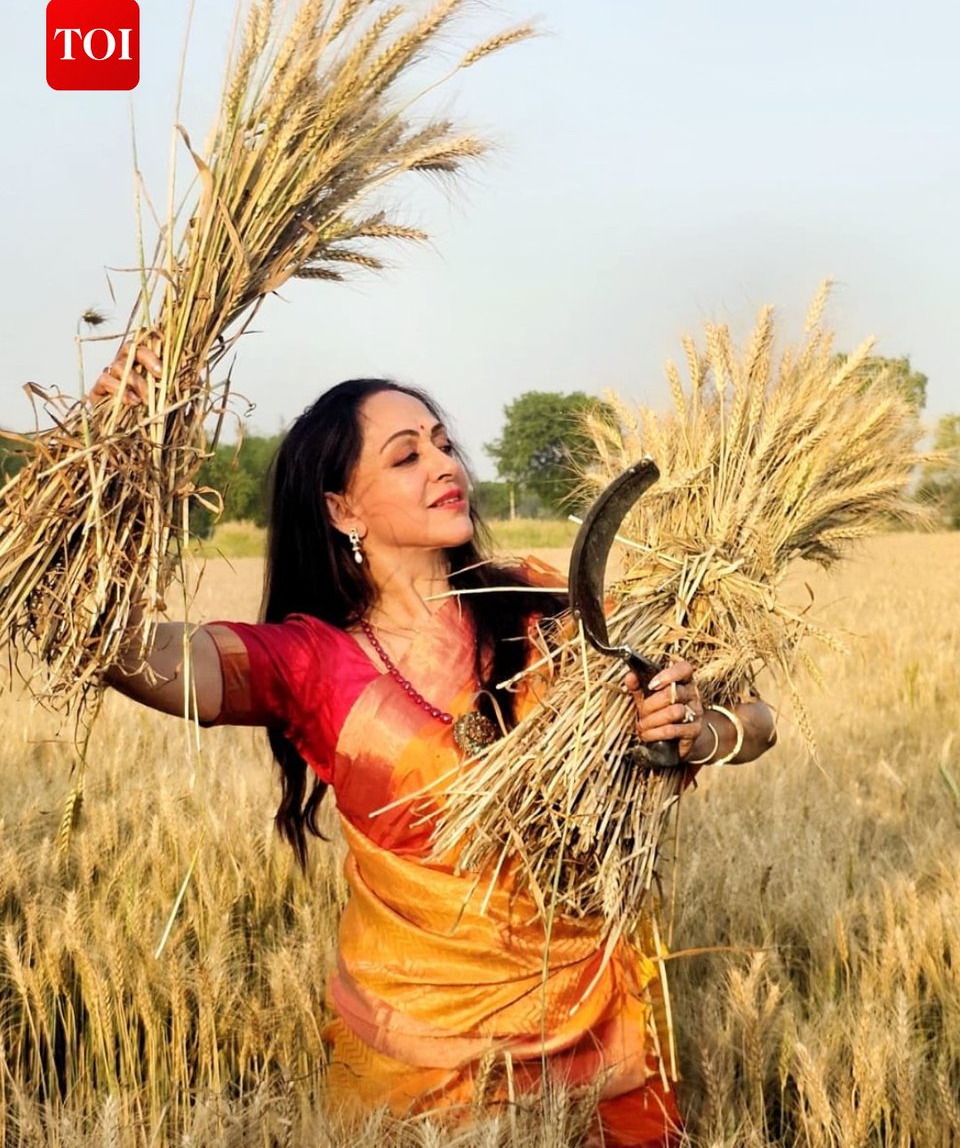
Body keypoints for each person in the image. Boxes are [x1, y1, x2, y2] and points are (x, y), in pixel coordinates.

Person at [91, 344, 777, 1148]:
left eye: (443, 443)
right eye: (405, 456)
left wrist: (695, 732)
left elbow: (754, 715)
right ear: (343, 509)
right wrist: (110, 456)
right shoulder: (311, 662)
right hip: (417, 1071)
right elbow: (130, 652)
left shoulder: (547, 604)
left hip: (601, 1039)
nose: (442, 464)